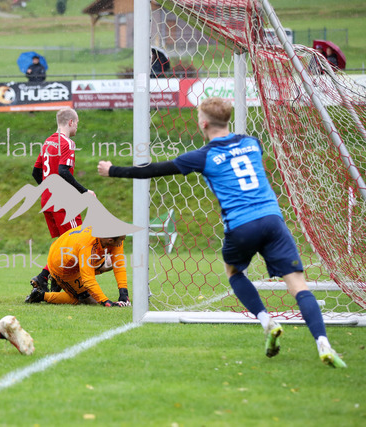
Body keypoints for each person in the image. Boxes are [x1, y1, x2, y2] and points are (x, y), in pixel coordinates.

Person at [97, 97, 346, 368]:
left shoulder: (202, 156)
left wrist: (113, 170)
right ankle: (323, 343)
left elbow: (155, 170)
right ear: (227, 119)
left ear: (203, 123)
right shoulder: (252, 143)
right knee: (298, 286)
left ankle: (267, 321)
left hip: (241, 225)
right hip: (272, 220)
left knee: (234, 272)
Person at [30, 108, 96, 294]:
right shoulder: (67, 143)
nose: (77, 127)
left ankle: (56, 285)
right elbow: (63, 171)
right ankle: (45, 277)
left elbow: (36, 172)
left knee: (63, 244)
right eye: (77, 123)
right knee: (79, 242)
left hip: (47, 201)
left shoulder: (48, 142)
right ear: (71, 122)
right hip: (64, 203)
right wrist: (84, 192)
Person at [25, 226, 130, 307]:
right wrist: (105, 302)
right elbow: (88, 280)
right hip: (61, 266)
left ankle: (59, 283)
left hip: (75, 255)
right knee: (88, 300)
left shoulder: (111, 235)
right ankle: (41, 295)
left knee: (110, 263)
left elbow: (119, 263)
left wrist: (124, 294)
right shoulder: (88, 245)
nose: (122, 242)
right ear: (110, 240)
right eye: (121, 240)